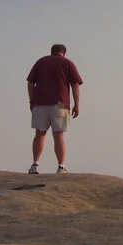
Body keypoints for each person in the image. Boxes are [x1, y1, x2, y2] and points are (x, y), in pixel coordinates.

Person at [26, 44, 83, 175]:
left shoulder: (41, 62)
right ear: (64, 53)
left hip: (40, 102)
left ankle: (35, 164)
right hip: (60, 103)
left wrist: (31, 100)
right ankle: (61, 166)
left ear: (51, 52)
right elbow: (75, 85)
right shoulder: (68, 63)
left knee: (39, 133)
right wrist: (76, 105)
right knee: (58, 134)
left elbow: (30, 82)